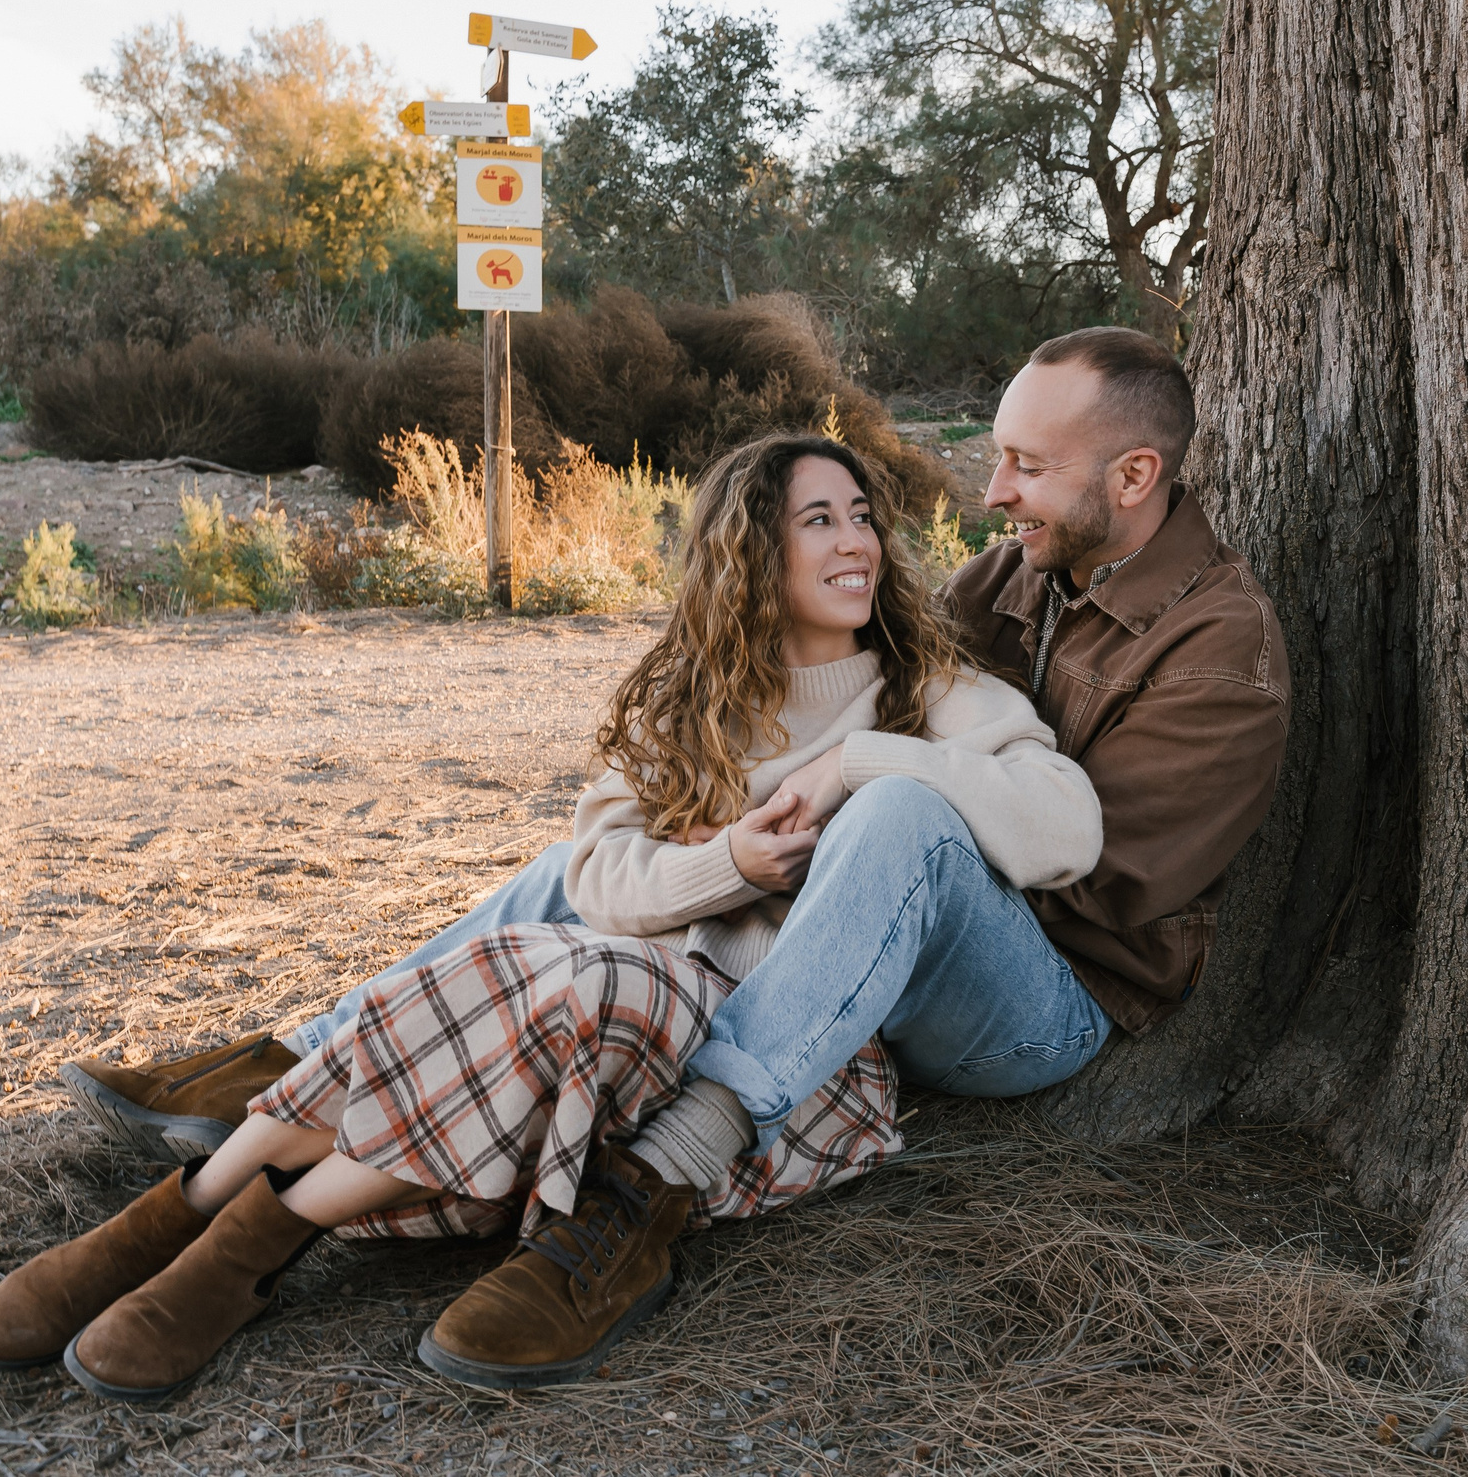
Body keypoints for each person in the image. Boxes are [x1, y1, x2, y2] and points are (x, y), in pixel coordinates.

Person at [63, 324, 1291, 1385]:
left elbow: (1088, 866)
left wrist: (850, 785)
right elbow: (872, 685)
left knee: (896, 817)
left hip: (1040, 996)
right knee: (582, 864)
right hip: (864, 936)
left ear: (1132, 474)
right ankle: (311, 1061)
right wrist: (741, 826)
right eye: (998, 458)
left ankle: (659, 1184)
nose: (991, 490)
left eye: (1025, 464)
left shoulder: (1220, 650)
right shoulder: (1021, 568)